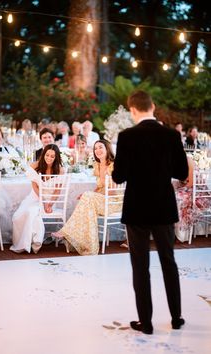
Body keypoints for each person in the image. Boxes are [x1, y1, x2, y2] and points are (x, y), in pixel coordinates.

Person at [112, 90, 188, 335]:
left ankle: (146, 322)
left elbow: (118, 176)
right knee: (168, 261)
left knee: (140, 266)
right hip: (164, 206)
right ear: (153, 106)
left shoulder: (126, 136)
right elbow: (181, 172)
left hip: (136, 208)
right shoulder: (171, 135)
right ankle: (176, 318)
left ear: (132, 109)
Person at [52, 140, 121, 255]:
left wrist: (91, 195)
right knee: (86, 197)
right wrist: (89, 194)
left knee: (88, 196)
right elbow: (99, 188)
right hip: (103, 200)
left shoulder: (114, 165)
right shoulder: (97, 165)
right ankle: (87, 244)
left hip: (114, 202)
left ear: (107, 149)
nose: (97, 150)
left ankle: (67, 231)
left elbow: (113, 192)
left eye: (100, 147)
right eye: (95, 148)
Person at [10, 144, 64, 254]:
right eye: (47, 155)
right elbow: (34, 187)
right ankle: (29, 241)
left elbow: (57, 191)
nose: (49, 158)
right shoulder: (35, 165)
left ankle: (37, 241)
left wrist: (48, 204)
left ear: (56, 157)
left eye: (52, 156)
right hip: (35, 196)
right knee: (17, 216)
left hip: (50, 200)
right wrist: (42, 202)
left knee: (32, 211)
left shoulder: (60, 170)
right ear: (43, 154)